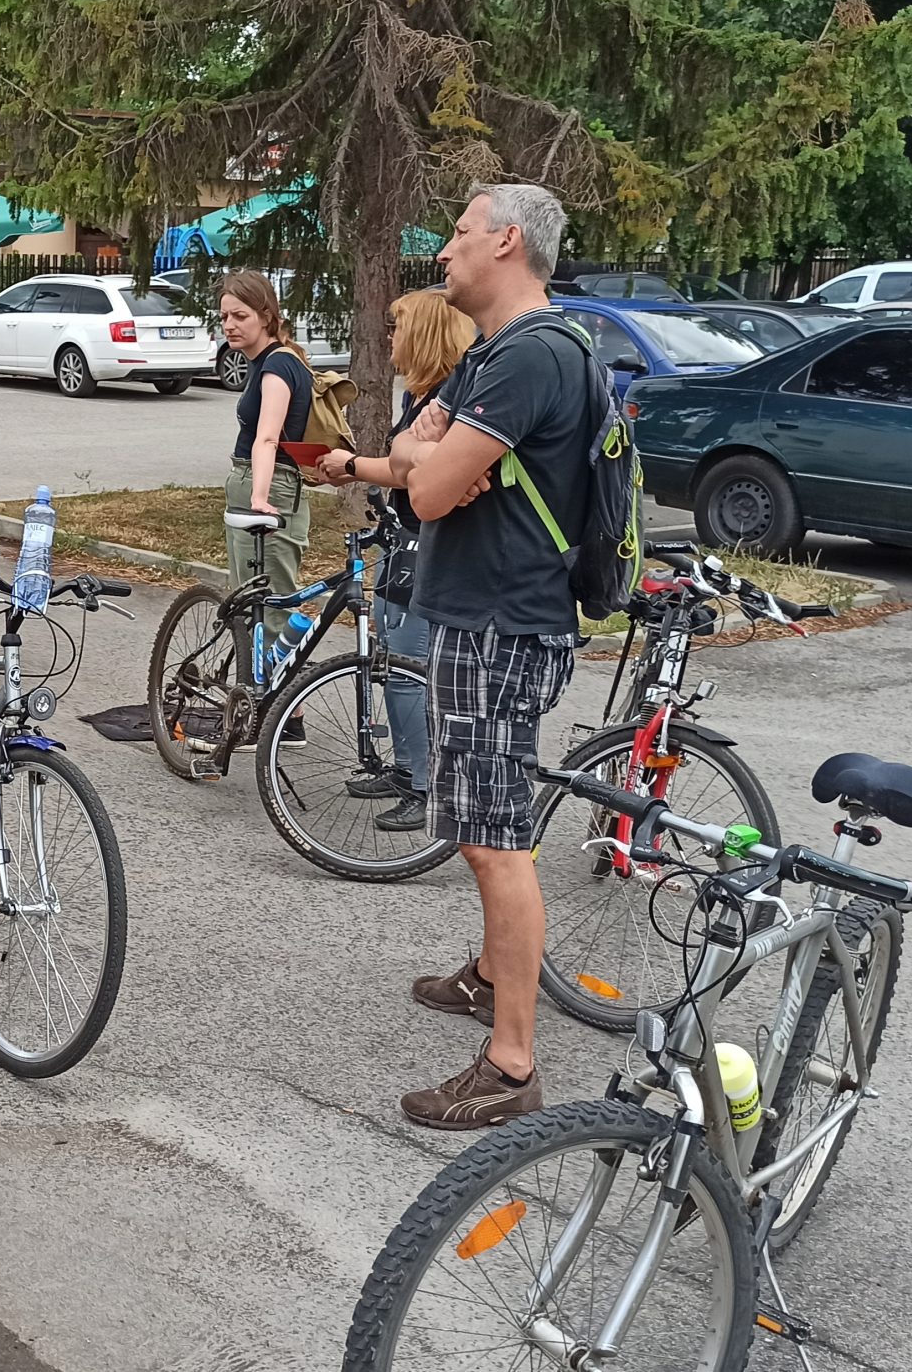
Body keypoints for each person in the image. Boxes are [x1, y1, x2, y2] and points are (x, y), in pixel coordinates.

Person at [385, 182, 597, 1132]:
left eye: (459, 235)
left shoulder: (529, 358)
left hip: (501, 624)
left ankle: (511, 1064)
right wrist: (424, 454)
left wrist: (428, 459)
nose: (444, 253)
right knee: (483, 820)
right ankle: (485, 976)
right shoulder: (509, 353)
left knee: (494, 836)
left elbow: (425, 491)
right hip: (495, 616)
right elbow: (409, 461)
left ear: (507, 241)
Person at [317, 289, 478, 832]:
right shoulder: (419, 396)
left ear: (426, 334)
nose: (389, 337)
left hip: (432, 545)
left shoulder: (450, 401)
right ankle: (405, 765)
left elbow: (416, 473)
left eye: (397, 327)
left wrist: (359, 466)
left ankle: (425, 784)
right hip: (401, 537)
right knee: (388, 657)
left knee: (410, 665)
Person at [220, 271, 313, 630]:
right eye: (224, 317)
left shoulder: (279, 364)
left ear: (266, 316)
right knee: (246, 606)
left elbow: (268, 438)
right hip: (251, 480)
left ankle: (273, 685)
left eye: (240, 316)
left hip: (271, 487)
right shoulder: (261, 361)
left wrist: (259, 495)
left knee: (270, 612)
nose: (230, 325)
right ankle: (250, 682)